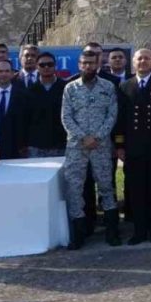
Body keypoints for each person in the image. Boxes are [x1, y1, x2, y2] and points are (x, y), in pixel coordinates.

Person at [61, 51, 121, 249]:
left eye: (91, 63)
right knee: (75, 189)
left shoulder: (108, 87)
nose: (88, 66)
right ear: (79, 65)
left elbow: (112, 115)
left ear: (98, 65)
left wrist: (97, 137)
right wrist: (83, 137)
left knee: (106, 187)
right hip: (77, 147)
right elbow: (66, 117)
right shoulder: (70, 88)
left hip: (101, 146)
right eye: (84, 63)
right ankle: (78, 234)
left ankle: (112, 232)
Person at [116, 49, 151, 245]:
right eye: (139, 58)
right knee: (137, 191)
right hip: (133, 147)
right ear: (134, 62)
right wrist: (120, 145)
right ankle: (139, 231)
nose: (143, 62)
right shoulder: (125, 87)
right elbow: (120, 120)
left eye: (147, 58)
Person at [25, 52, 67, 157]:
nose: (46, 67)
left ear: (55, 66)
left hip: (61, 145)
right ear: (37, 67)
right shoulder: (29, 91)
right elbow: (24, 120)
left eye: (50, 64)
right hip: (36, 146)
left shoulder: (66, 88)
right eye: (42, 65)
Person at [0, 60, 30, 160]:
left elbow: (27, 122)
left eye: (7, 71)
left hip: (17, 150)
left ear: (13, 74)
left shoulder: (23, 95)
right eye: (0, 71)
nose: (4, 74)